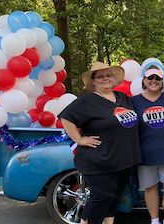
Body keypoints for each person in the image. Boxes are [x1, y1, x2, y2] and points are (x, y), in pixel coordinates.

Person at [58, 62, 142, 224]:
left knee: (113, 198)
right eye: (100, 76)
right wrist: (79, 139)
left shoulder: (122, 97)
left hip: (124, 160)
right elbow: (66, 117)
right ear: (93, 81)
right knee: (101, 199)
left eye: (108, 75)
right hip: (100, 160)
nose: (105, 78)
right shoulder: (87, 101)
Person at [132, 68, 164, 224]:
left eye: (157, 78)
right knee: (150, 188)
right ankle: (154, 220)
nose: (153, 80)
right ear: (144, 81)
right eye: (150, 77)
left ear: (162, 82)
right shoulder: (134, 101)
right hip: (145, 153)